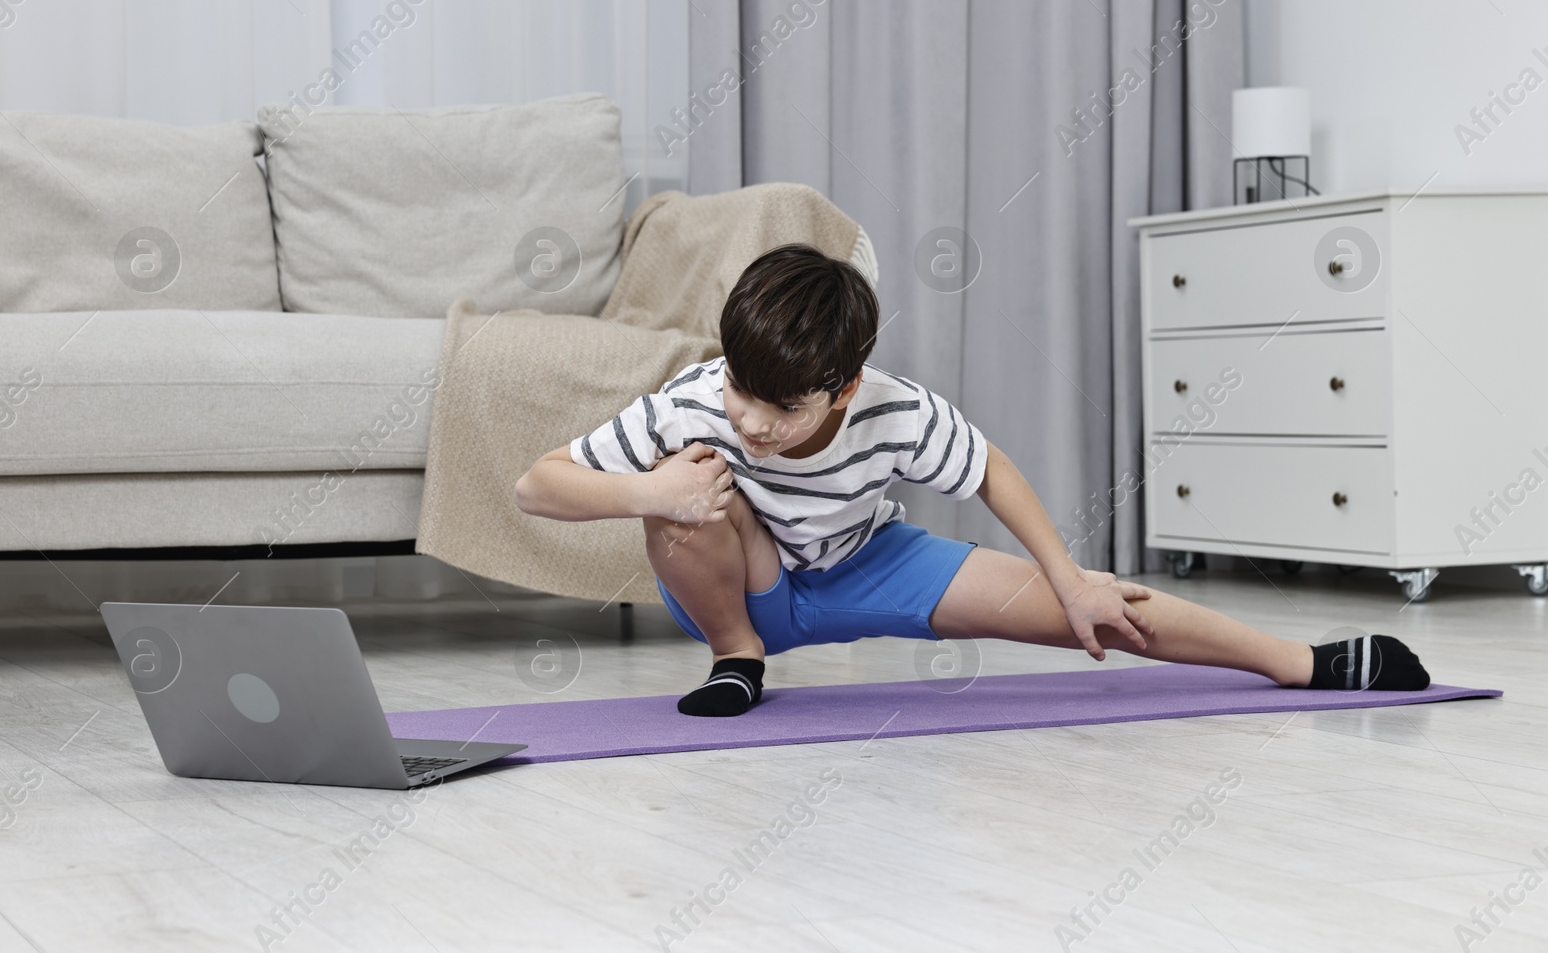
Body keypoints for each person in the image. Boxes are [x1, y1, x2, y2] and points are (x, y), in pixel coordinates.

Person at [515, 244, 1429, 716]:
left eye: (778, 406)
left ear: (841, 387)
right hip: (742, 584)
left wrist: (1068, 580)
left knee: (1098, 604)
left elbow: (990, 468)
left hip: (871, 562)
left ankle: (1301, 663)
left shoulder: (894, 408)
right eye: (740, 390)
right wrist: (655, 493)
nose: (750, 419)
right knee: (689, 482)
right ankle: (738, 659)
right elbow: (536, 486)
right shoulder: (698, 402)